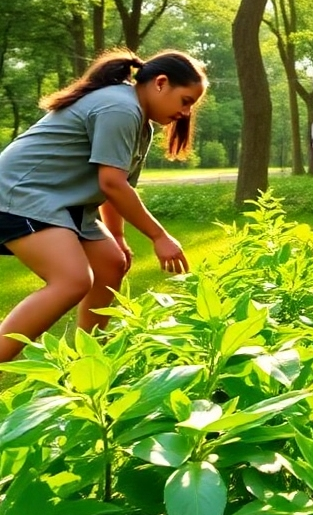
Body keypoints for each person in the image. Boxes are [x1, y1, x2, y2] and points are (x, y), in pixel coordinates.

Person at [0, 49, 207, 363]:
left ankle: (88, 358)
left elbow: (115, 187)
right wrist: (159, 236)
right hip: (20, 194)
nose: (186, 112)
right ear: (161, 83)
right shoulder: (120, 107)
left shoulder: (140, 122)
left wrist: (118, 237)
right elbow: (112, 183)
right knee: (71, 281)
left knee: (111, 263)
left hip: (60, 200)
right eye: (186, 101)